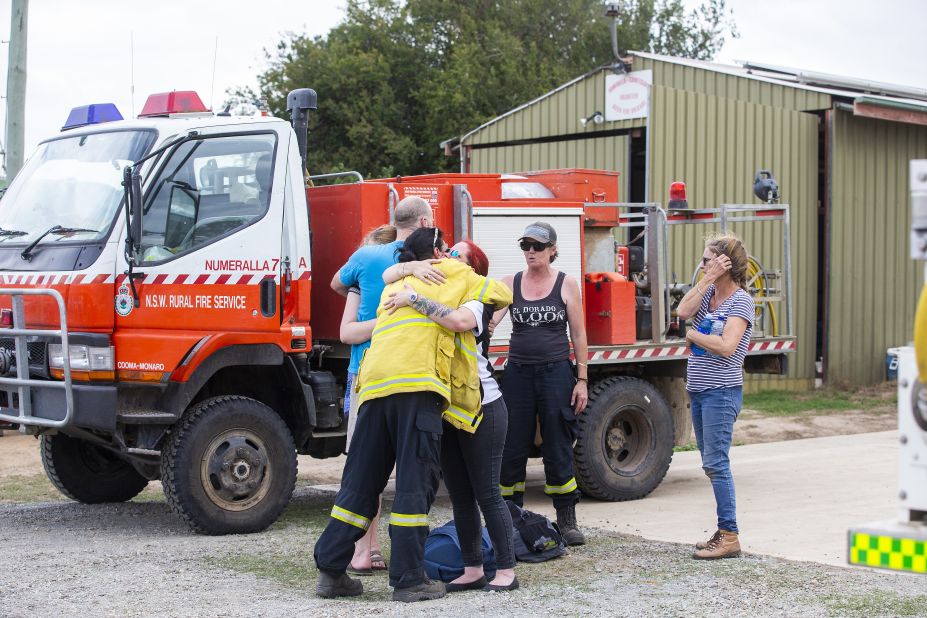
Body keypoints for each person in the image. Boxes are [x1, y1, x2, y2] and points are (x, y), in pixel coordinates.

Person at [314, 227, 513, 603]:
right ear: (438, 252)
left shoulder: (394, 285)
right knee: (413, 483)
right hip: (416, 388)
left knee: (360, 483)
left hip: (373, 387)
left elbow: (389, 277)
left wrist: (409, 274)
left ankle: (331, 569)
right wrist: (460, 276)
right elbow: (504, 292)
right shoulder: (452, 272)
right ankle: (408, 580)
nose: (452, 254)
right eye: (448, 249)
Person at [382, 240, 518, 592]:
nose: (447, 257)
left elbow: (458, 322)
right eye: (447, 251)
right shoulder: (438, 288)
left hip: (483, 407)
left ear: (471, 267)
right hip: (447, 408)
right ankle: (472, 567)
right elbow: (387, 273)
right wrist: (407, 272)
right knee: (459, 494)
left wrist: (413, 298)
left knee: (487, 491)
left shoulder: (476, 295)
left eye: (457, 255)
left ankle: (506, 571)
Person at [493, 222, 589, 546]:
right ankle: (509, 517)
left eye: (537, 245)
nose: (530, 251)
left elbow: (578, 334)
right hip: (518, 373)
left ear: (552, 249)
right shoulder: (510, 284)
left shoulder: (566, 284)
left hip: (556, 374)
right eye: (525, 245)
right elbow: (491, 322)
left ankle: (567, 519)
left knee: (558, 445)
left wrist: (582, 380)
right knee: (512, 446)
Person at [676, 232, 755, 560]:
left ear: (726, 263)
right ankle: (723, 530)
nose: (702, 264)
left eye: (708, 260)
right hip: (700, 389)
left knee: (717, 464)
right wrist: (706, 279)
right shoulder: (707, 293)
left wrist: (694, 335)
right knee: (711, 465)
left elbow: (727, 346)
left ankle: (730, 536)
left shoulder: (741, 302)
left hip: (722, 393)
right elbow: (682, 311)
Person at [337, 223, 397, 575]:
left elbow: (347, 331)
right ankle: (369, 548)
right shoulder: (407, 286)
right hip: (377, 375)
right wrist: (391, 321)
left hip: (368, 376)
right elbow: (349, 332)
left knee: (365, 467)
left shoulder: (362, 283)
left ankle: (367, 548)